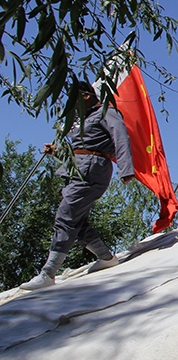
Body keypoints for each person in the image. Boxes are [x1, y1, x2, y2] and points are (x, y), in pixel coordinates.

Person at [20, 81, 135, 290]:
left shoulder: (105, 112)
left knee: (66, 215)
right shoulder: (79, 120)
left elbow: (120, 136)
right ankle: (106, 257)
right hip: (76, 169)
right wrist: (57, 152)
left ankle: (48, 273)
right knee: (77, 221)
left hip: (92, 169)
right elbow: (79, 149)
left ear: (85, 96)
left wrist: (126, 168)